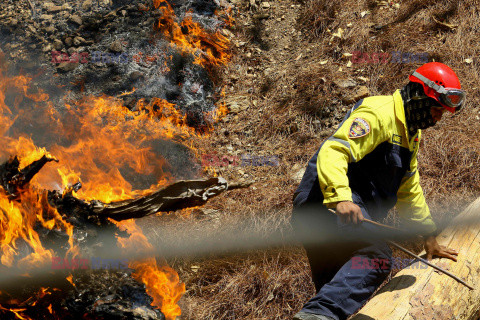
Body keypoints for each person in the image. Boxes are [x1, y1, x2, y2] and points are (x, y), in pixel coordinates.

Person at [291, 62, 465, 320]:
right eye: (438, 109)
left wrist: (427, 234)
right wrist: (340, 197)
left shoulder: (410, 136)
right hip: (325, 205)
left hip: (341, 217)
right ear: (419, 97)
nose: (439, 118)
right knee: (378, 257)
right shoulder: (379, 113)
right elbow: (335, 150)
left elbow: (409, 190)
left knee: (331, 297)